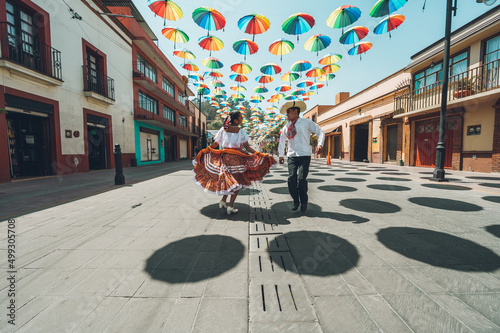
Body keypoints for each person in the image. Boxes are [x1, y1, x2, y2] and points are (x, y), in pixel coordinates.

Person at [193, 111, 276, 214]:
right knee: (237, 183)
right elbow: (247, 147)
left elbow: (215, 144)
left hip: (226, 159)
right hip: (237, 159)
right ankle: (230, 206)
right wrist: (259, 154)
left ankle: (223, 201)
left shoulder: (223, 130)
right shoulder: (241, 131)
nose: (242, 119)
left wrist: (206, 149)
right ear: (236, 120)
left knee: (229, 182)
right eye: (241, 117)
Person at [278, 101, 325, 212]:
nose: (287, 115)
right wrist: (281, 155)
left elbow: (320, 132)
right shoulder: (287, 126)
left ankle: (304, 201)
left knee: (301, 179)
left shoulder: (306, 122)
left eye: (288, 112)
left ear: (295, 111)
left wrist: (320, 144)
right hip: (292, 156)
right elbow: (282, 141)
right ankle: (296, 201)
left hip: (304, 155)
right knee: (291, 179)